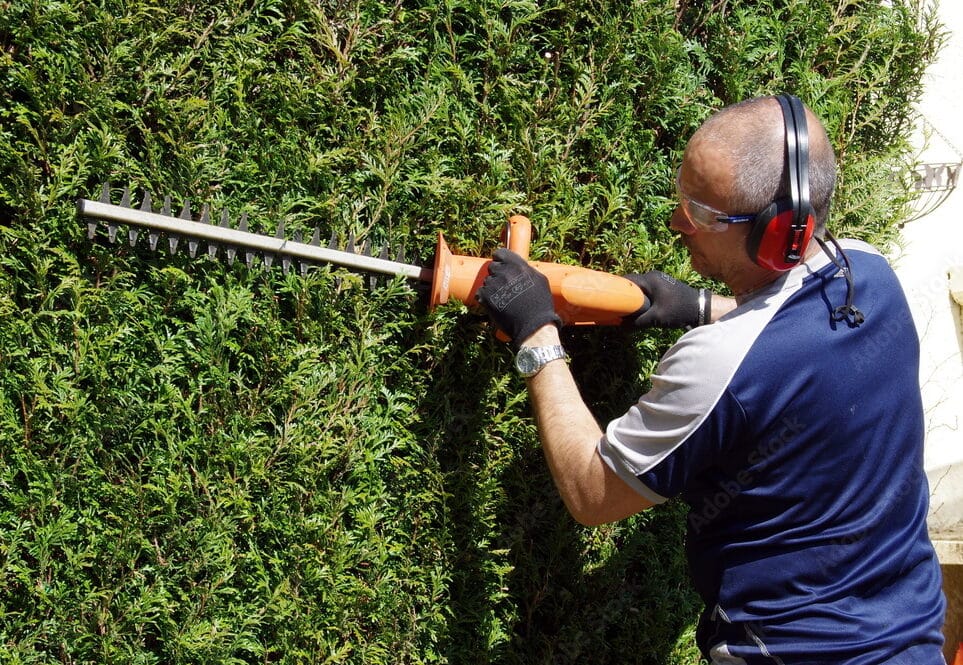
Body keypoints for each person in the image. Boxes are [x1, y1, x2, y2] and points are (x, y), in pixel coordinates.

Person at [476, 95, 947, 664]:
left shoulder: (718, 366)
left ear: (776, 234)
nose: (678, 224)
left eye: (700, 213)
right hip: (912, 643)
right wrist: (698, 304)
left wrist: (534, 334)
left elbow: (592, 492)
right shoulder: (869, 274)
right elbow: (791, 334)